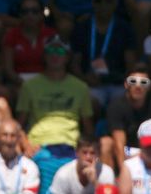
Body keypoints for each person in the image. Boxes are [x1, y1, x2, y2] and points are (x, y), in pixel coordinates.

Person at [16, 37, 93, 194]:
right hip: (41, 148)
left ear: (67, 57)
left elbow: (89, 128)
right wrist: (27, 145)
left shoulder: (81, 87)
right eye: (51, 50)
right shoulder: (30, 85)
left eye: (60, 51)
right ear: (44, 55)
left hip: (71, 149)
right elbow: (19, 124)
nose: (55, 55)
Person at [70, 0, 137, 107]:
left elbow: (130, 64)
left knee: (123, 103)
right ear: (92, 3)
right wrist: (84, 79)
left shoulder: (124, 29)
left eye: (108, 1)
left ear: (115, 3)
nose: (103, 5)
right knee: (90, 103)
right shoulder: (82, 27)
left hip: (117, 84)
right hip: (89, 84)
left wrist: (120, 80)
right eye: (98, 0)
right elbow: (75, 63)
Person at [106, 65, 151, 169]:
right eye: (133, 81)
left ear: (149, 86)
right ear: (126, 84)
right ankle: (108, 183)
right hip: (123, 151)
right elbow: (119, 142)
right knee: (106, 143)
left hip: (148, 148)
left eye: (143, 82)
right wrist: (124, 172)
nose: (138, 86)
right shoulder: (116, 105)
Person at [0, 118, 40, 194]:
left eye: (13, 135)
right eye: (5, 135)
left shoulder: (30, 167)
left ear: (18, 138)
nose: (9, 140)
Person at [2, 0, 57, 84]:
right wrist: (23, 83)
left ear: (41, 14)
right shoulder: (12, 35)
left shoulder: (51, 35)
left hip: (46, 80)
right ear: (20, 15)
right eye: (25, 12)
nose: (29, 15)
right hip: (19, 81)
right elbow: (8, 69)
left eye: (34, 11)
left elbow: (57, 65)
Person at [50, 135, 116, 194]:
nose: (88, 157)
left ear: (98, 154)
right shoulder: (64, 174)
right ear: (77, 152)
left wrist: (95, 182)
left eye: (92, 153)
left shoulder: (106, 173)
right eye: (84, 152)